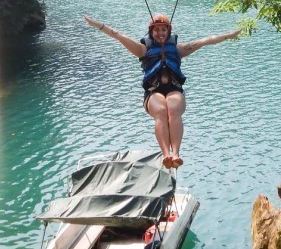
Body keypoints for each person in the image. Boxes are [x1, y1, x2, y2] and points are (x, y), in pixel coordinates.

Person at [84, 13, 240, 169]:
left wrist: (229, 35)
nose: (160, 33)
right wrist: (97, 25)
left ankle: (176, 154)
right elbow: (118, 36)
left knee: (173, 108)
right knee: (161, 110)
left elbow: (205, 41)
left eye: (163, 30)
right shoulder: (142, 49)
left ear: (169, 31)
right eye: (157, 30)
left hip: (174, 89)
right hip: (153, 92)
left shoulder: (178, 49)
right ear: (151, 32)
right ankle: (166, 154)